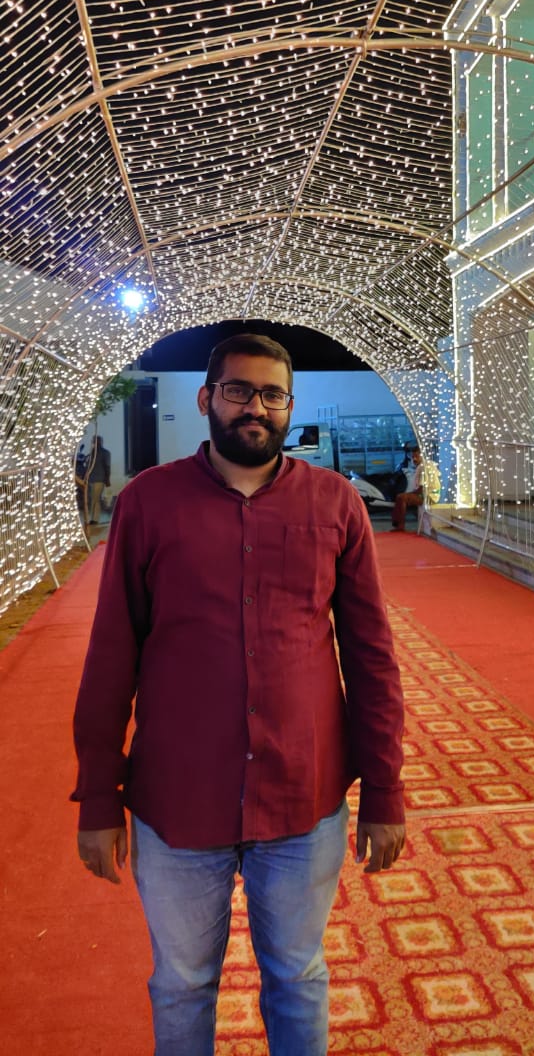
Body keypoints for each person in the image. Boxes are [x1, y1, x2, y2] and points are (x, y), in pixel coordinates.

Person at [71, 333, 405, 1056]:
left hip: (301, 798)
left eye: (271, 394)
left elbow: (371, 657)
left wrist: (385, 790)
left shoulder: (334, 503)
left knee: (298, 977)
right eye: (238, 391)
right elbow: (112, 654)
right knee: (182, 983)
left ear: (289, 405)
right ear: (206, 399)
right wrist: (98, 796)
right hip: (178, 802)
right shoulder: (149, 503)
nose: (255, 407)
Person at [391, 444, 423, 531]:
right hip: (421, 494)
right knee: (400, 497)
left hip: (426, 496)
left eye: (416, 457)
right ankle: (398, 524)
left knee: (402, 497)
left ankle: (400, 526)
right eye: (413, 457)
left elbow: (421, 489)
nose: (414, 459)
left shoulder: (423, 468)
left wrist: (409, 494)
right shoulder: (418, 467)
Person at [87, 434, 111, 524]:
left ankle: (95, 519)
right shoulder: (94, 453)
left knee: (95, 499)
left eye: (94, 441)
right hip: (93, 479)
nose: (93, 443)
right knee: (94, 499)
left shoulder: (102, 453)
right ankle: (93, 518)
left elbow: (107, 467)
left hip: (98, 479)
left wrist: (107, 479)